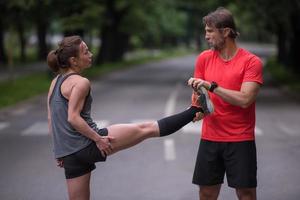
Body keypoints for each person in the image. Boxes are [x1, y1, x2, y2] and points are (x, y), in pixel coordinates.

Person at [47, 35, 211, 200]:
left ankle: (196, 109)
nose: (90, 54)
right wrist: (98, 139)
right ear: (74, 61)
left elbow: (51, 118)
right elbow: (73, 118)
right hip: (90, 143)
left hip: (69, 154)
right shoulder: (81, 82)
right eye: (85, 52)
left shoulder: (56, 82)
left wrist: (58, 151)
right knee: (146, 129)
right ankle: (197, 109)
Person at [187, 7, 263, 200]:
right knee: (206, 193)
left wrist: (212, 87)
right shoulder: (204, 59)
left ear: (226, 32)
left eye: (210, 31)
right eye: (205, 31)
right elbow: (200, 99)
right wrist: (199, 108)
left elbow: (245, 99)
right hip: (210, 138)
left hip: (240, 139)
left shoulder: (251, 62)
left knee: (245, 194)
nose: (206, 36)